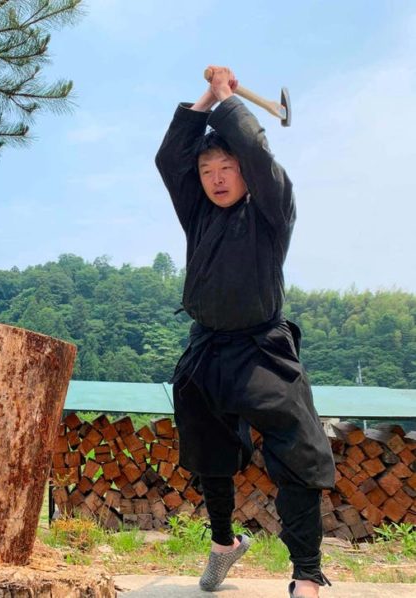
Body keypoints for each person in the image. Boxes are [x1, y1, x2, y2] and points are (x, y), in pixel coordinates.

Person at [154, 66, 336, 598]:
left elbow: (258, 153)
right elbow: (170, 159)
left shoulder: (272, 210)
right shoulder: (198, 214)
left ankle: (307, 574)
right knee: (207, 449)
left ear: (246, 171)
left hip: (262, 351)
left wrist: (229, 102)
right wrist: (207, 97)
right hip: (207, 348)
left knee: (298, 454)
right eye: (207, 169)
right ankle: (223, 543)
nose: (216, 178)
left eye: (227, 167)